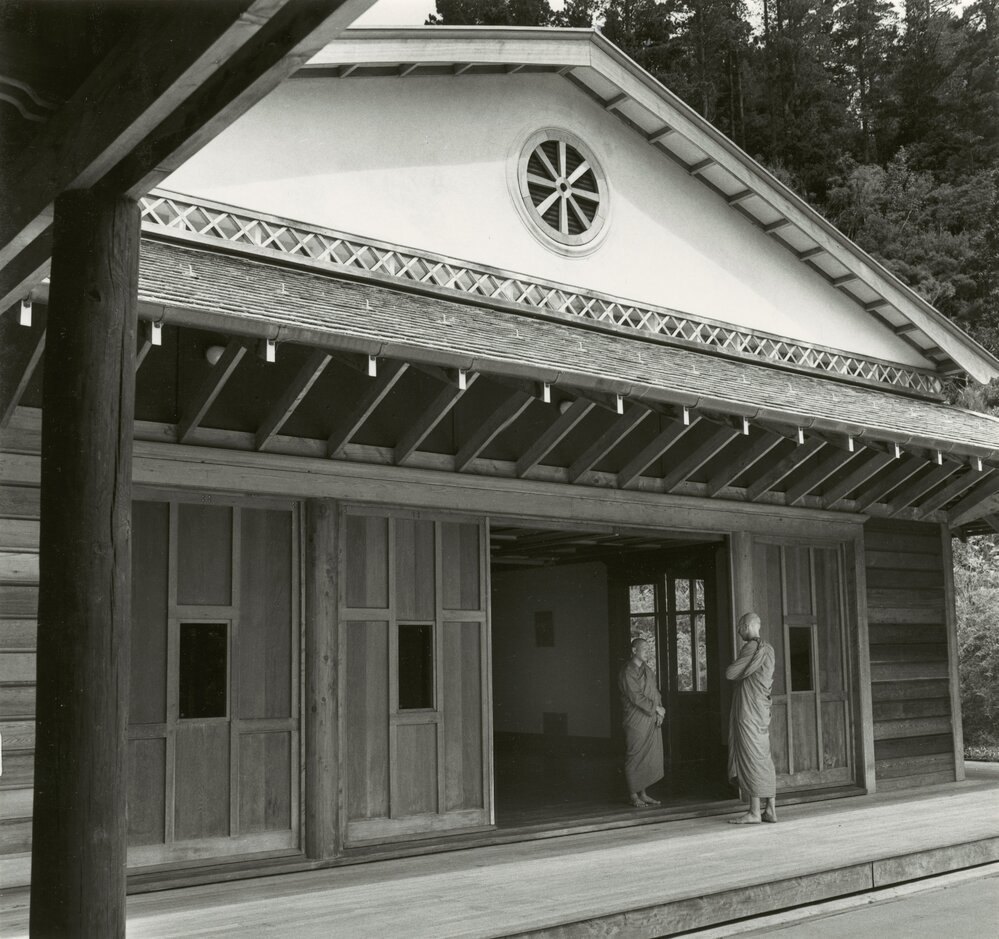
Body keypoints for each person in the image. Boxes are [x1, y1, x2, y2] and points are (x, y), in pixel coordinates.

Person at [725, 611, 777, 824]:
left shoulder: (752, 647)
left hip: (749, 711)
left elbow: (730, 673)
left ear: (747, 626)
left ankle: (755, 812)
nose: (738, 631)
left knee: (750, 756)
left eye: (739, 627)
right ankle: (771, 809)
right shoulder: (769, 649)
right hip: (761, 710)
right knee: (763, 756)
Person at [618, 637, 666, 808]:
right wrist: (655, 709)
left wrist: (660, 709)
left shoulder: (647, 669)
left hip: (650, 717)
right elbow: (636, 697)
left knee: (646, 756)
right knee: (635, 755)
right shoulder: (627, 671)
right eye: (644, 648)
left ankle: (643, 793)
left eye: (648, 648)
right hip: (635, 720)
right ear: (634, 650)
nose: (648, 651)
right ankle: (633, 795)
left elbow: (654, 691)